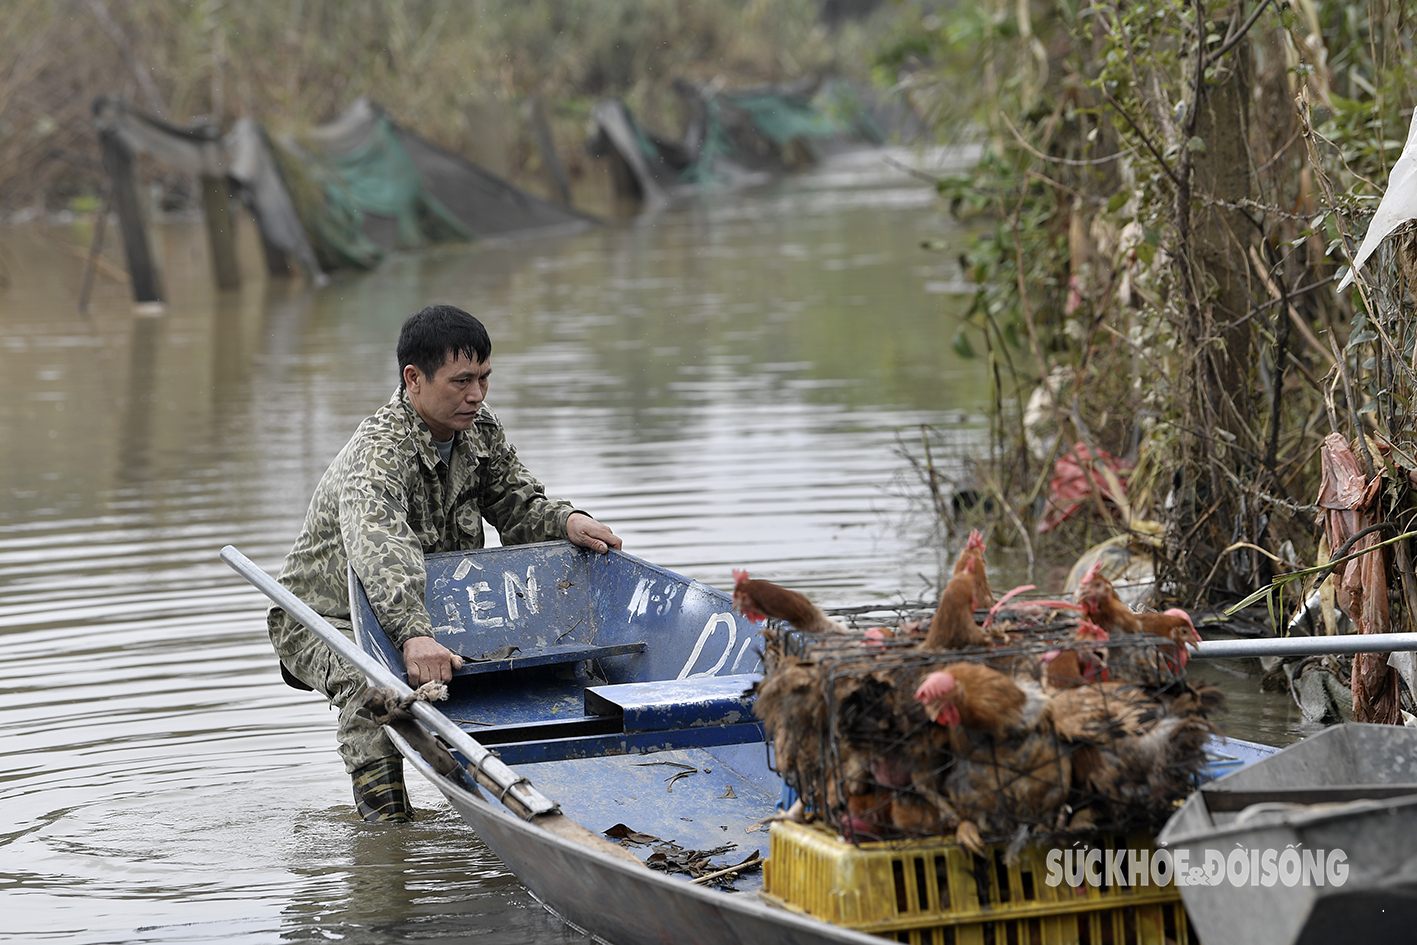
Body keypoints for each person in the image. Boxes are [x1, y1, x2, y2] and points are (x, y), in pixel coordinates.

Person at [266, 303, 620, 821]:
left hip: (426, 606)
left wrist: (567, 522)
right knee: (375, 692)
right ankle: (387, 834)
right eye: (461, 381)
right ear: (414, 379)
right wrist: (413, 633)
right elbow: (381, 551)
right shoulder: (378, 453)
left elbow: (516, 502)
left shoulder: (477, 429)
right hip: (327, 616)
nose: (476, 395)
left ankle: (510, 802)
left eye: (483, 379)